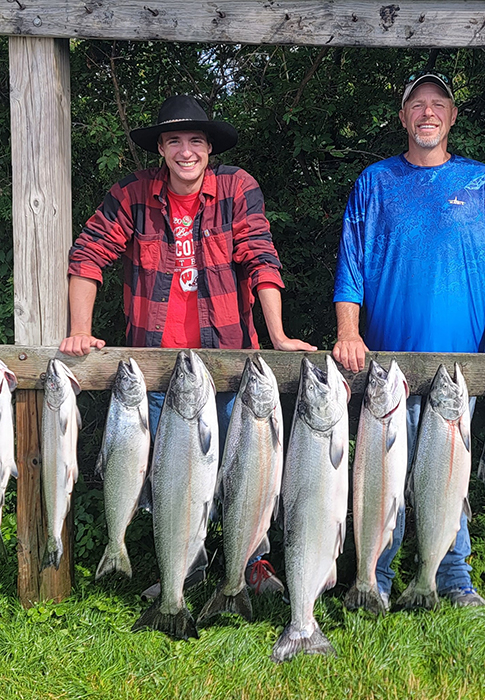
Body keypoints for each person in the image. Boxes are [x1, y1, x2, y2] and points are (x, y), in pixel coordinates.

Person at [60, 94, 315, 595]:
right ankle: (184, 569)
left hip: (227, 365)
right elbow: (89, 253)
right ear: (160, 147)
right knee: (171, 481)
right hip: (156, 370)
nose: (185, 150)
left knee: (247, 473)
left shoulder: (237, 188)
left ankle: (252, 567)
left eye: (195, 140)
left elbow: (261, 256)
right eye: (174, 140)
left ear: (209, 147)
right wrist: (79, 328)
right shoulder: (132, 193)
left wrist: (279, 335)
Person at [332, 71, 485, 608]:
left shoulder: (480, 183)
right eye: (416, 104)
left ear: (452, 117)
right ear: (402, 118)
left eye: (438, 104)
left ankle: (455, 578)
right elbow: (351, 264)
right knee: (384, 477)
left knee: (452, 475)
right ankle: (379, 578)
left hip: (458, 368)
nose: (427, 113)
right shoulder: (374, 183)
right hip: (386, 373)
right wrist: (348, 332)